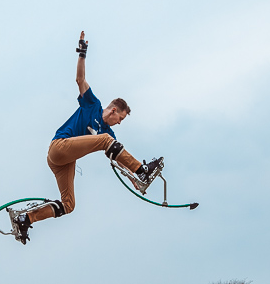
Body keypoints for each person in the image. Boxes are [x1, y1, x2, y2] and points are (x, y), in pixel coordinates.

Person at [12, 31, 162, 244]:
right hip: (58, 147)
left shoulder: (108, 134)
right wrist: (82, 53)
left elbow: (117, 157)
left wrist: (133, 180)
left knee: (69, 205)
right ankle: (143, 170)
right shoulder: (93, 105)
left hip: (63, 163)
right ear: (112, 111)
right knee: (106, 142)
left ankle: (25, 219)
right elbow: (80, 79)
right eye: (120, 118)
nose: (119, 123)